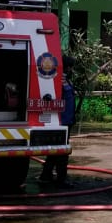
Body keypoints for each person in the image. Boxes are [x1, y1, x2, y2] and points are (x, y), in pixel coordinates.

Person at [39, 58, 78, 186]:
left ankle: (46, 175)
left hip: (68, 120)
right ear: (66, 67)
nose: (71, 69)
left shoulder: (67, 80)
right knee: (62, 151)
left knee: (56, 150)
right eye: (69, 67)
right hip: (61, 121)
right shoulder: (57, 80)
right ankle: (61, 179)